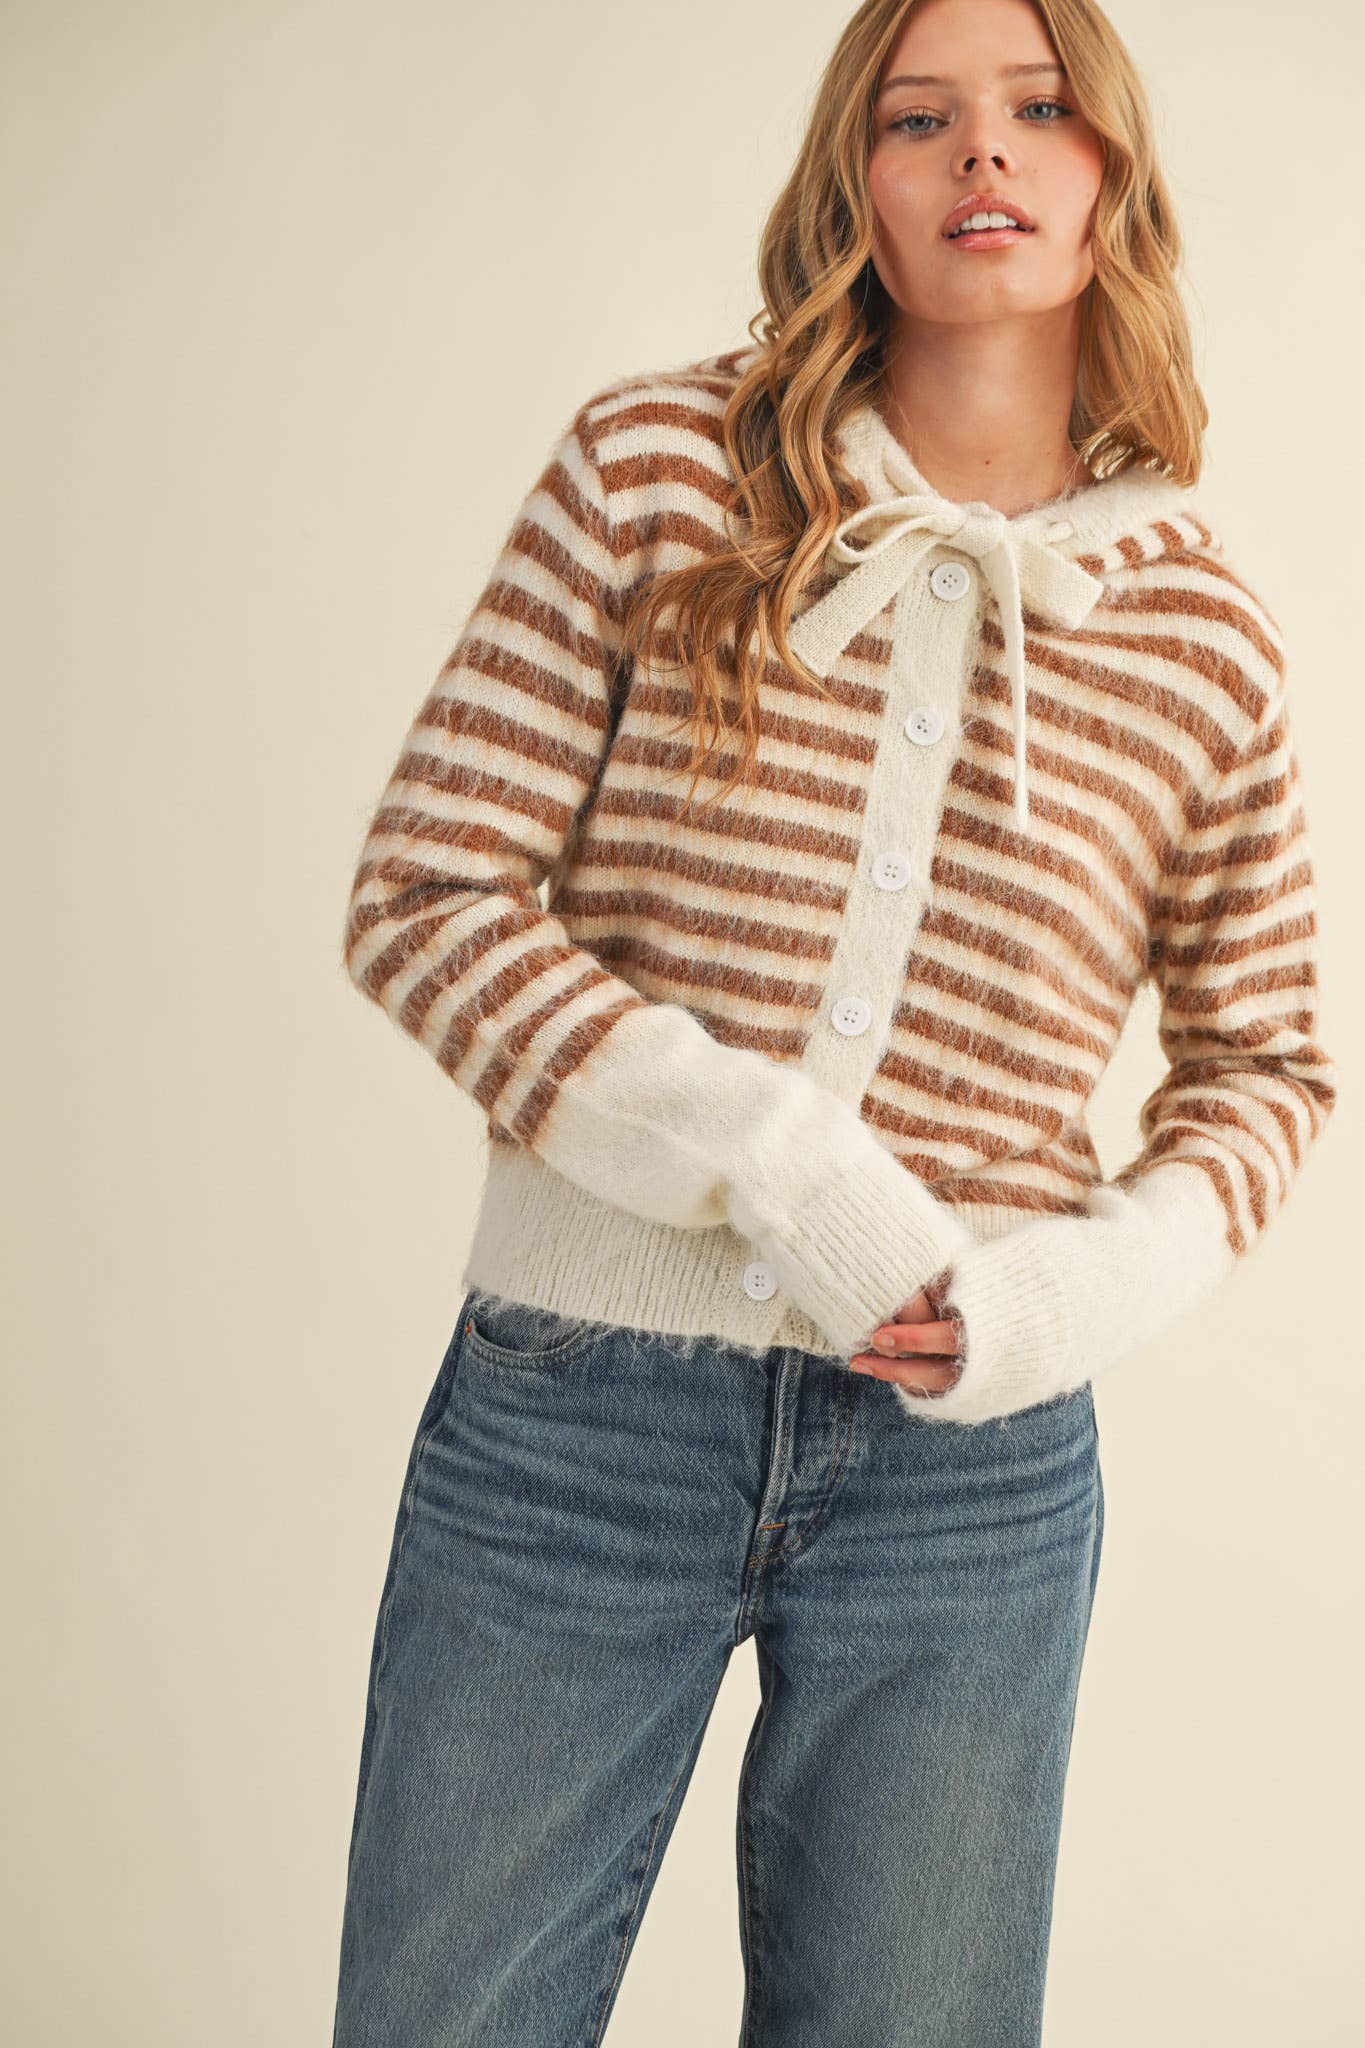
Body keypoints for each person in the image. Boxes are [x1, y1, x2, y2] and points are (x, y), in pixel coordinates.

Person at [330, 0, 1337, 2040]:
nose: (982, 153)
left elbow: (1269, 1066)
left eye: (1038, 109)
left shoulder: (1197, 628)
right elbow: (425, 894)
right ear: (851, 182)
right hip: (578, 1414)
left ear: (1109, 176)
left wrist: (1055, 1299)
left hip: (969, 1482)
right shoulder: (653, 473)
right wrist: (779, 1164)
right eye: (917, 116)